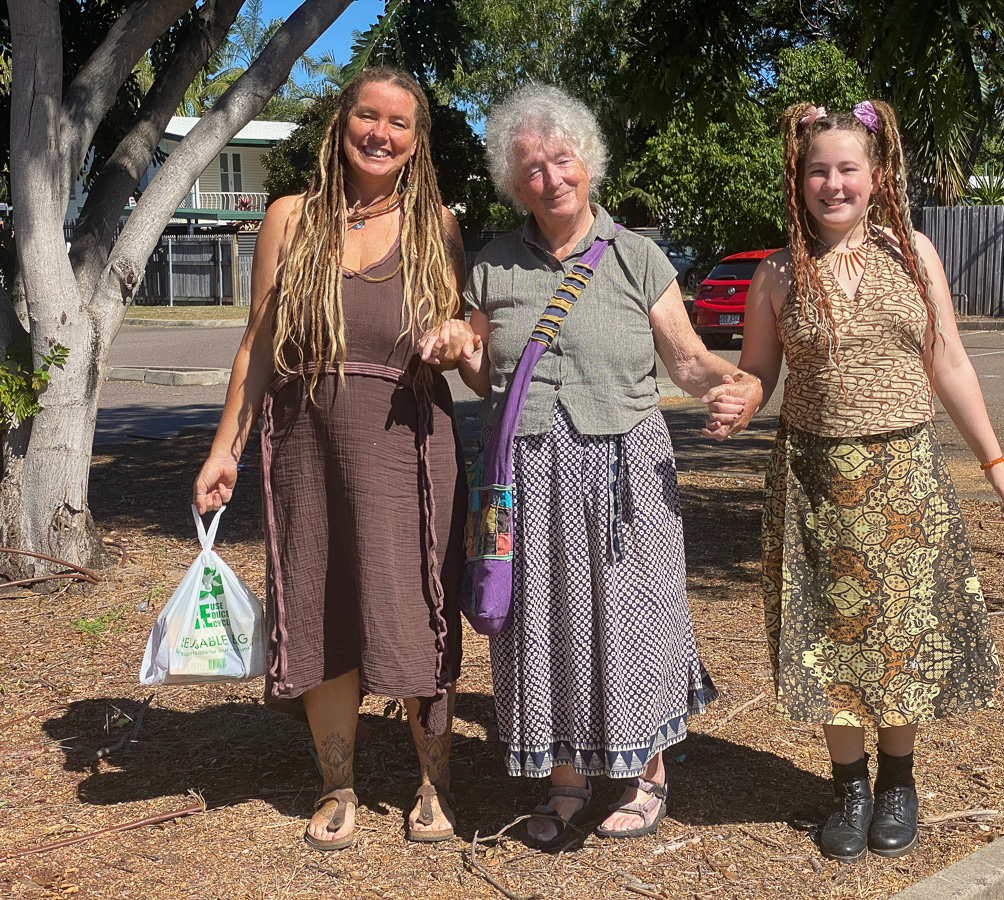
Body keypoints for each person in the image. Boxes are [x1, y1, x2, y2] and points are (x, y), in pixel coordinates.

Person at [705, 100, 1004, 863]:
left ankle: (898, 781)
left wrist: (996, 460)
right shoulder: (778, 273)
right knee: (831, 638)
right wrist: (737, 401)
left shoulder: (913, 253)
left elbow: (946, 360)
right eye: (818, 170)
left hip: (904, 475)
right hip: (813, 480)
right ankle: (848, 785)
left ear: (876, 175)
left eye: (848, 168)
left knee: (901, 637)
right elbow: (759, 373)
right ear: (800, 178)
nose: (833, 183)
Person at [440, 83, 761, 848]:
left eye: (562, 159)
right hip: (526, 476)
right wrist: (461, 348)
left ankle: (647, 772)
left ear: (589, 161)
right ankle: (566, 779)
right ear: (512, 183)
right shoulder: (492, 268)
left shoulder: (636, 257)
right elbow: (488, 378)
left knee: (634, 620)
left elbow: (685, 362)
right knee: (542, 622)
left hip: (623, 469)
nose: (550, 178)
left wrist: (738, 383)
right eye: (531, 168)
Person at [192, 67, 475, 850]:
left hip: (408, 446)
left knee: (419, 609)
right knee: (318, 607)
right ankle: (337, 783)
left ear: (417, 142)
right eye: (367, 117)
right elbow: (257, 343)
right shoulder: (289, 217)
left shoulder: (438, 227)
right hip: (306, 444)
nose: (380, 134)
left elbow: (464, 340)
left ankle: (433, 781)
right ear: (341, 122)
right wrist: (227, 450)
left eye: (399, 124)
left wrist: (458, 341)